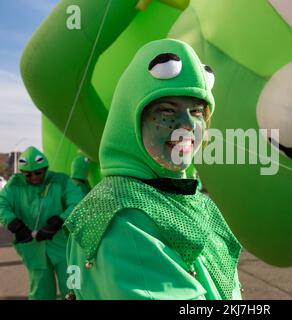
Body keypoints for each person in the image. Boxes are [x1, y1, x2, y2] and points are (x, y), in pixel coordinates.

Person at [65, 39, 242, 300]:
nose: (187, 124)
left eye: (196, 111)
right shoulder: (122, 214)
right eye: (167, 110)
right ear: (131, 120)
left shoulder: (181, 195)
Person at [0, 146, 84, 299]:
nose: (33, 177)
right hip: (33, 249)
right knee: (40, 293)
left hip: (65, 247)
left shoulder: (61, 180)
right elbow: (1, 204)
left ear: (45, 168)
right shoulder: (14, 184)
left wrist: (59, 220)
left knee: (75, 290)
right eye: (28, 174)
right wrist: (14, 224)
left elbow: (77, 202)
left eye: (38, 172)